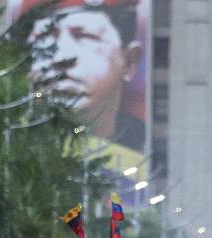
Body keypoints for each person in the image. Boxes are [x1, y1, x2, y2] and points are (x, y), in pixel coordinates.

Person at [26, 0, 145, 153]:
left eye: (85, 36)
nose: (61, 56)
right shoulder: (6, 138)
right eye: (44, 38)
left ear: (129, 61)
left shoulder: (146, 150)